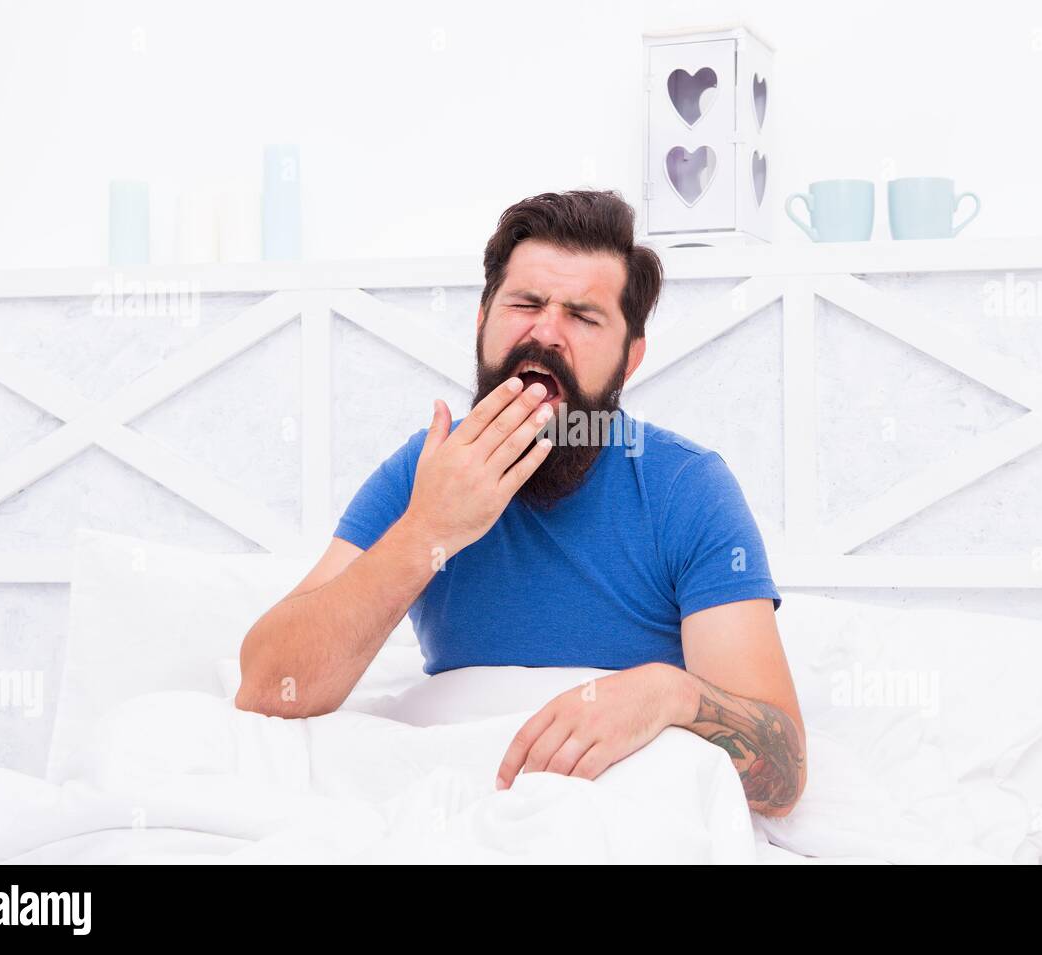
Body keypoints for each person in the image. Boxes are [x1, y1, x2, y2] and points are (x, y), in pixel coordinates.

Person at [236, 190, 805, 816]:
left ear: (630, 358)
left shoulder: (685, 488)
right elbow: (269, 689)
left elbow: (782, 773)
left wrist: (668, 695)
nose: (546, 333)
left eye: (584, 317)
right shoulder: (424, 472)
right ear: (482, 320)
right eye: (525, 304)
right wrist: (428, 528)